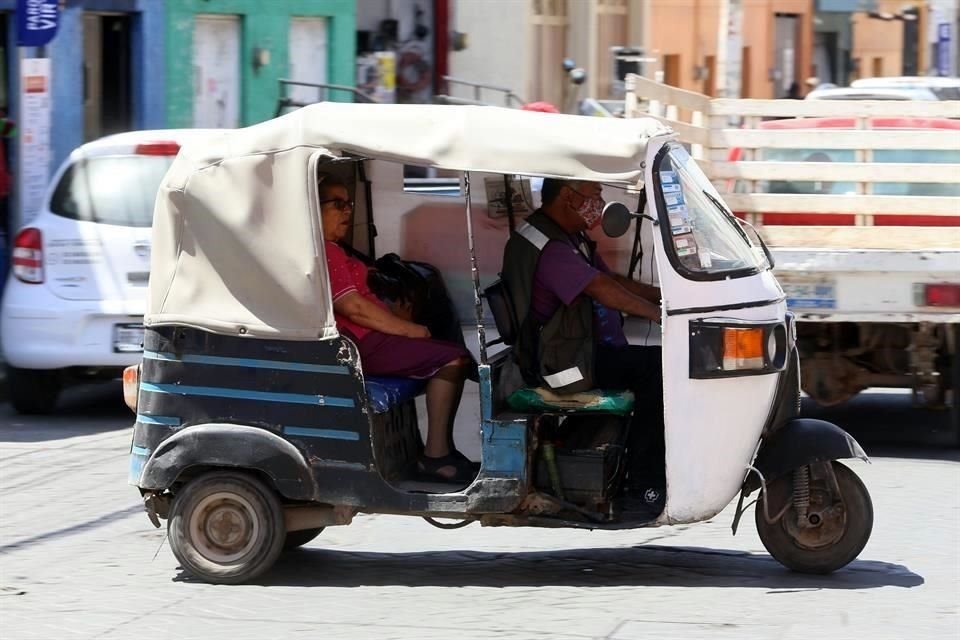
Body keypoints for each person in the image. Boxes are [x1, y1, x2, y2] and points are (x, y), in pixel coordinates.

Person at [501, 178, 666, 513]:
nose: (600, 202)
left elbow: (612, 280)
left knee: (653, 364)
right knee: (658, 371)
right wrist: (660, 315)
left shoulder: (568, 237)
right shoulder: (549, 248)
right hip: (560, 364)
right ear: (567, 196)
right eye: (595, 194)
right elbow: (600, 288)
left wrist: (665, 298)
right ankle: (643, 484)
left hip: (577, 351)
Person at [317, 172, 476, 485]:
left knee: (452, 353)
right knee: (453, 359)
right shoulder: (325, 250)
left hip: (373, 339)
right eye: (337, 204)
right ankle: (435, 456)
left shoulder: (336, 249)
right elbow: (354, 308)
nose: (347, 211)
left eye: (349, 204)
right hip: (364, 344)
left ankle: (436, 450)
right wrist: (410, 329)